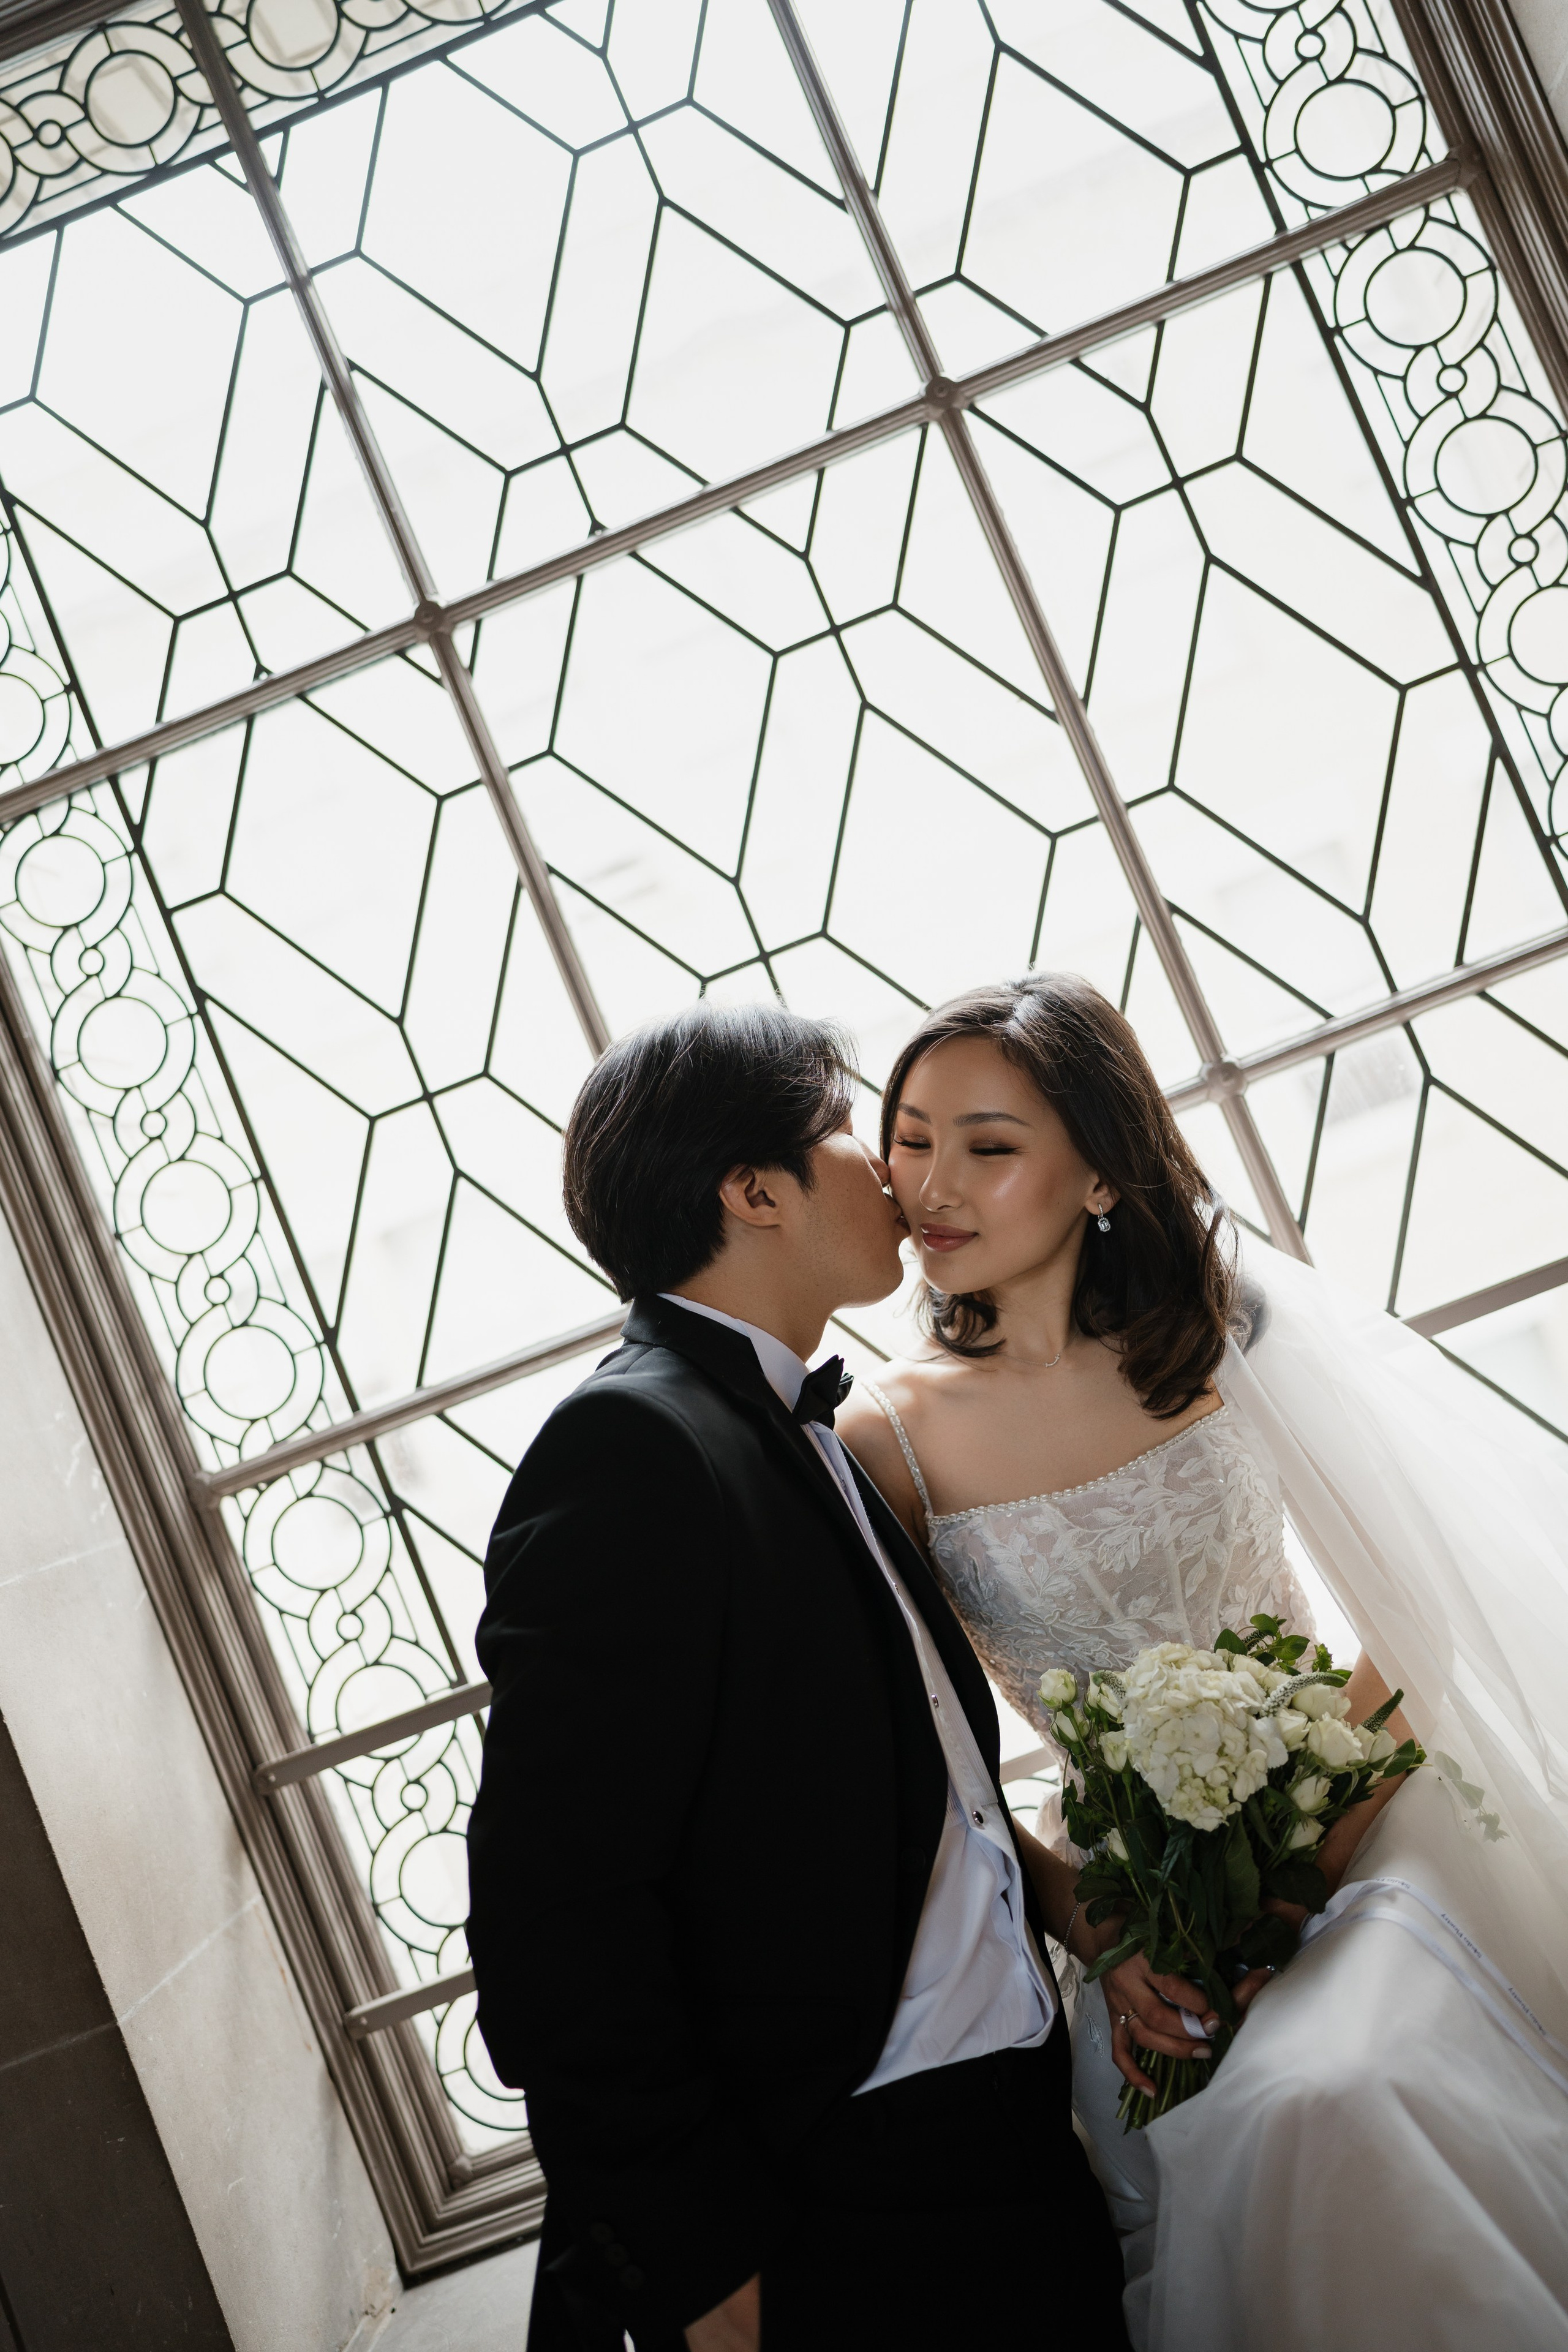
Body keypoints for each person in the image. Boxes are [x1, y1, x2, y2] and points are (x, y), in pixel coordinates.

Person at [836, 973, 1568, 2352]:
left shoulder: (1227, 1332)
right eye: (912, 1137)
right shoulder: (886, 1440)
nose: (932, 1183)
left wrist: (1291, 1872)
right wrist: (1100, 1932)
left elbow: (1416, 1616)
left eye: (988, 1147)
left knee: (1334, 2090)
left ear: (1100, 1170)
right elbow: (935, 1771)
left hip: (1371, 1819)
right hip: (1132, 1903)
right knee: (1241, 2110)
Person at [466, 1001, 1130, 2352]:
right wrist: (699, 2263)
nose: (887, 1168)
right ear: (752, 1190)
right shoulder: (631, 1448)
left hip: (1004, 2134)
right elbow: (553, 1913)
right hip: (836, 2205)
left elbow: (911, 1783)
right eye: (841, 1128)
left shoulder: (803, 1426)